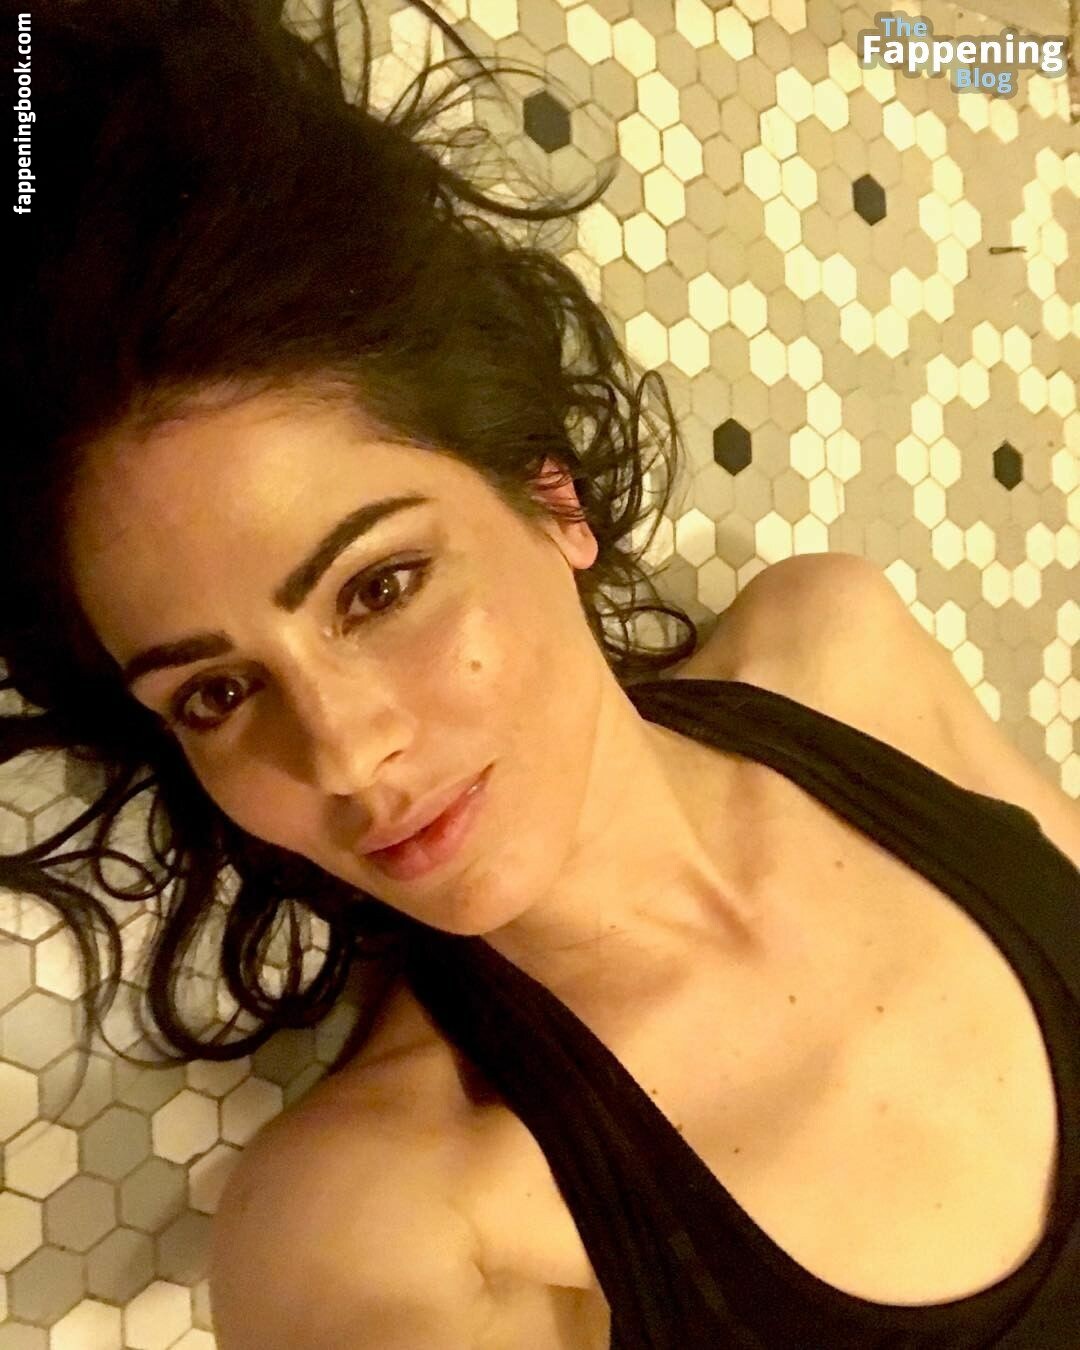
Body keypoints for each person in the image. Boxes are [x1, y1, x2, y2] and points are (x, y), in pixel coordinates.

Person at [3, 2, 1078, 1347]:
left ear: (552, 497)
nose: (344, 754)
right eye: (216, 695)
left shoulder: (843, 647)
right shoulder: (398, 1221)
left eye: (378, 587)